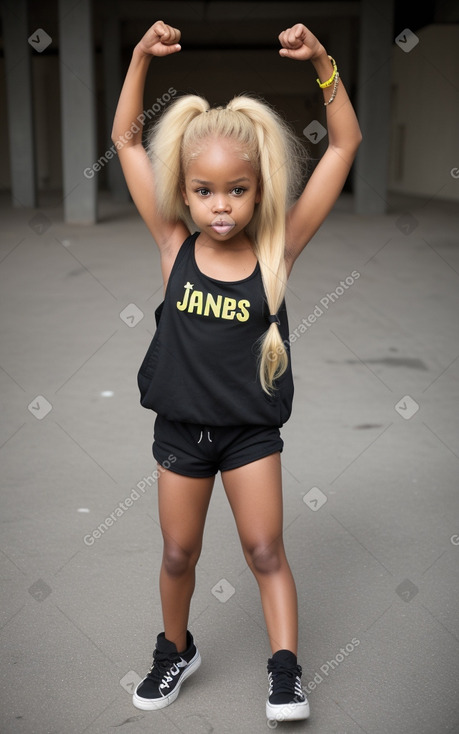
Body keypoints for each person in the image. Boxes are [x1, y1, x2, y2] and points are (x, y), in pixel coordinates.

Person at [111, 19, 361, 723]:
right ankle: (174, 650)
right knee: (177, 556)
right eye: (204, 191)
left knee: (263, 549)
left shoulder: (278, 252)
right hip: (182, 431)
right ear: (184, 193)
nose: (220, 206)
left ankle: (285, 671)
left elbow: (344, 143)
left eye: (236, 190)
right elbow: (126, 140)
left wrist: (322, 63)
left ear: (258, 189)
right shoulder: (172, 245)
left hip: (249, 431)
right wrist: (136, 60)